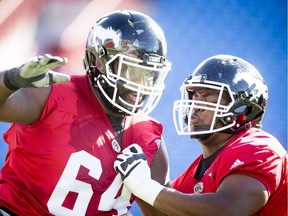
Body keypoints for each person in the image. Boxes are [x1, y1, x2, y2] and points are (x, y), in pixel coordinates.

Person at [0, 10, 172, 216]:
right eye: (131, 71)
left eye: (149, 75)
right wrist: (9, 81)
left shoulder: (148, 136)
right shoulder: (52, 95)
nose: (140, 86)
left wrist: (147, 188)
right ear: (97, 61)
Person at [114, 54, 288, 216]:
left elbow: (228, 209)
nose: (195, 105)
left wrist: (145, 187)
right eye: (194, 96)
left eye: (207, 96)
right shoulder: (193, 175)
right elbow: (169, 211)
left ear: (244, 108)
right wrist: (142, 167)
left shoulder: (260, 148)